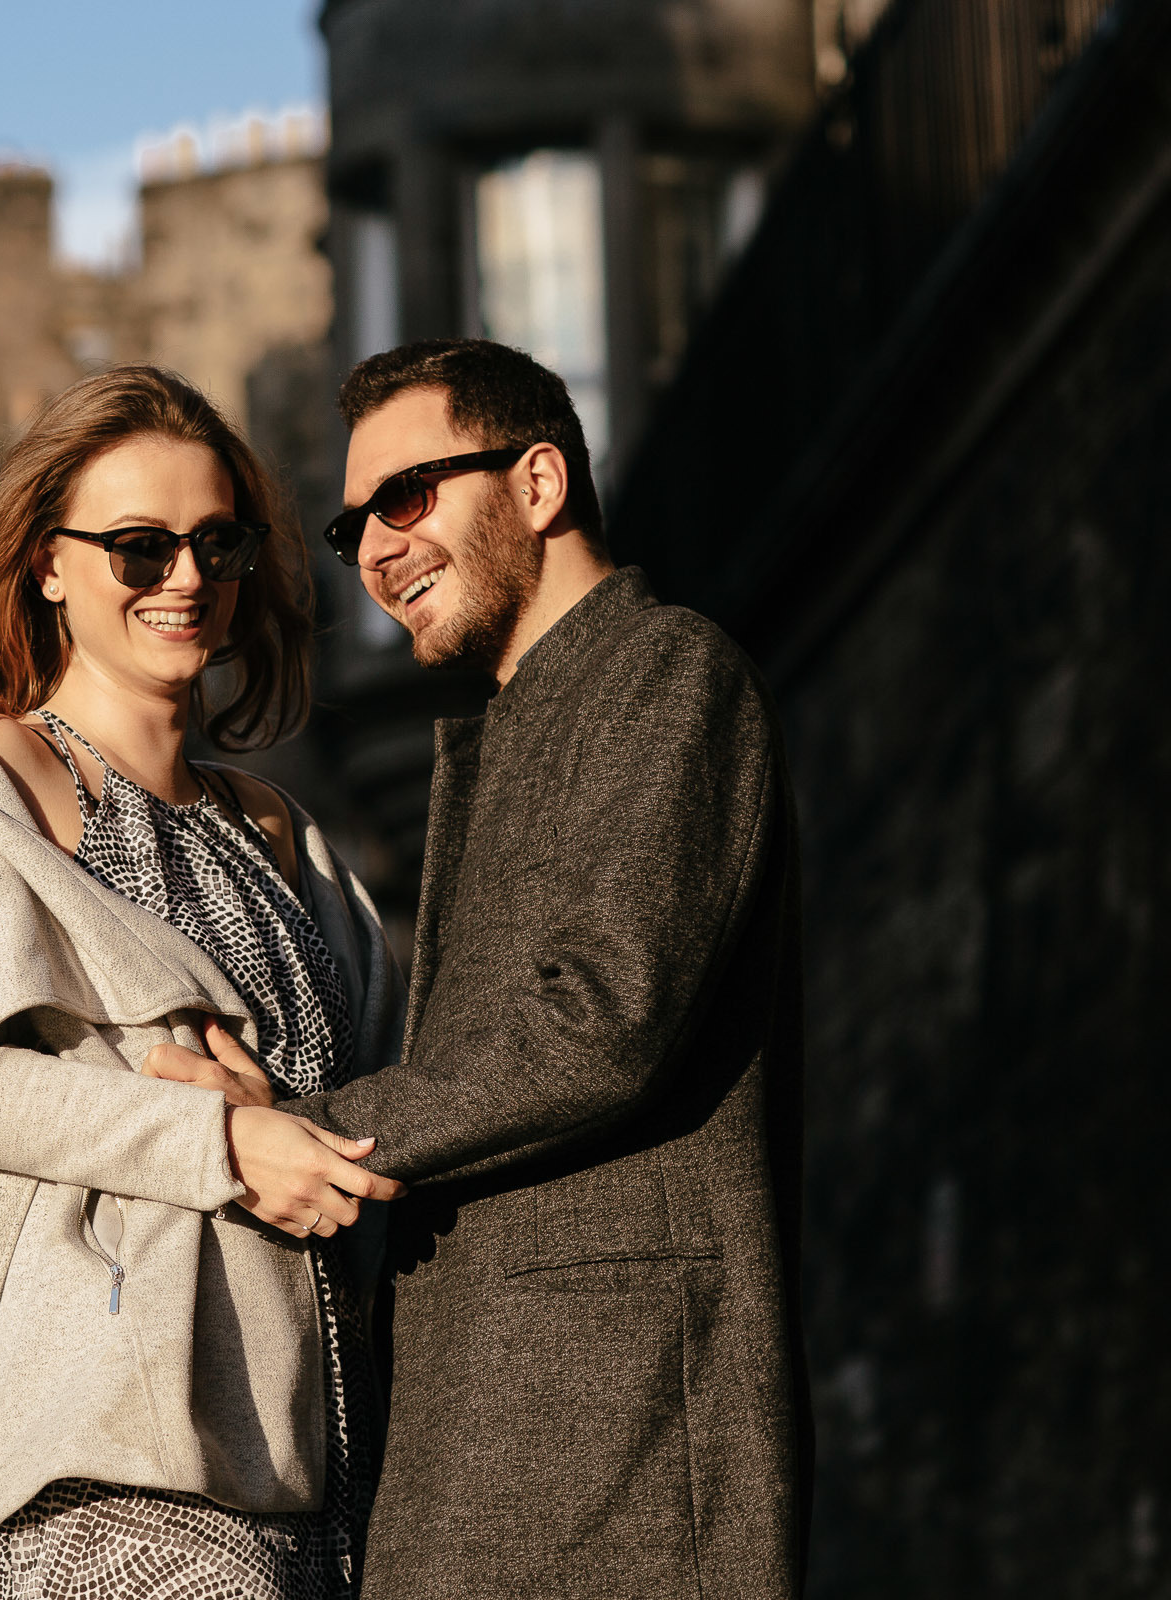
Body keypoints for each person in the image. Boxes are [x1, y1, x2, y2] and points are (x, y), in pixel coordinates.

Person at [159, 338, 808, 1597]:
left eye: (408, 497)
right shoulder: (511, 732)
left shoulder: (669, 672)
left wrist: (308, 1130)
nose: (379, 550)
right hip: (495, 1438)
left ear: (540, 483)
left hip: (621, 1440)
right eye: (357, 527)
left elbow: (597, 1022)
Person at [0, 365, 406, 1600]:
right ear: (49, 564)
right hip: (123, 1449)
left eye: (218, 542)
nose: (186, 579)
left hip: (329, 1462)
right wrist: (217, 1138)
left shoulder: (285, 835)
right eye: (139, 549)